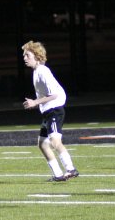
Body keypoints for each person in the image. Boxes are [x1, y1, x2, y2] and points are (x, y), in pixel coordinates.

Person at [21, 40, 79, 181]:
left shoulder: (43, 71)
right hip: (48, 112)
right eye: (24, 55)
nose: (24, 58)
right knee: (42, 144)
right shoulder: (36, 71)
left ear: (37, 56)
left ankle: (71, 169)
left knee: (54, 141)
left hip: (55, 110)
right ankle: (58, 175)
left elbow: (54, 95)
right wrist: (37, 104)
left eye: (27, 55)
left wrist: (35, 102)